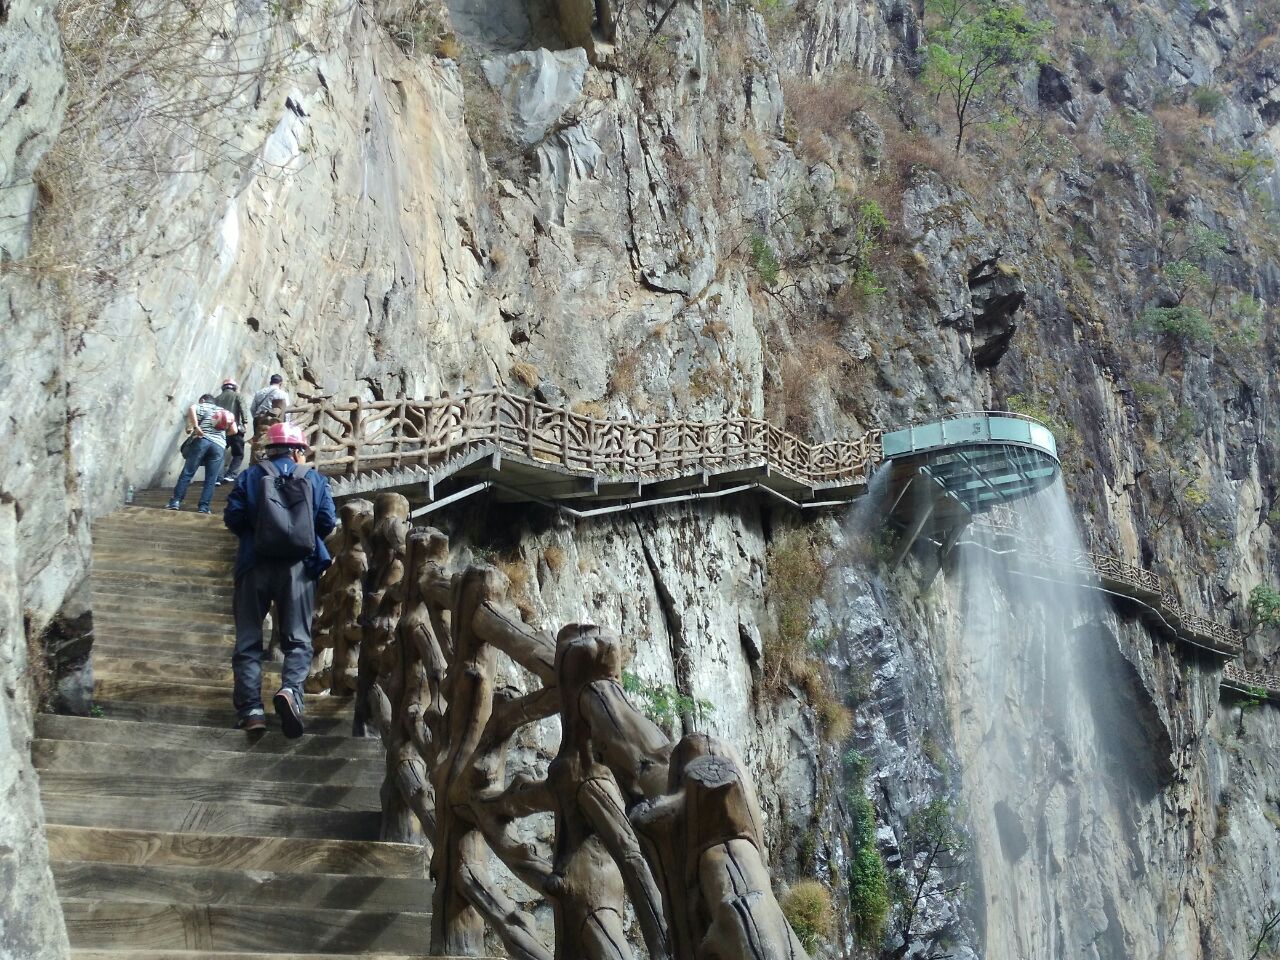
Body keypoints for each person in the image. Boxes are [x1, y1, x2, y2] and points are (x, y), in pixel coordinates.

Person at [224, 422, 336, 737]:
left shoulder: (250, 476)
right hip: (297, 570)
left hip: (253, 565)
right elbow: (327, 520)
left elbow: (232, 517)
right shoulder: (313, 479)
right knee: (298, 639)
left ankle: (251, 711)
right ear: (298, 450)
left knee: (248, 639)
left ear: (268, 449)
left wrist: (258, 532)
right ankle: (289, 693)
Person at [167, 394, 237, 514]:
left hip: (202, 440)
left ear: (203, 400)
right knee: (211, 478)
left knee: (188, 472)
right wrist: (221, 436)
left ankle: (175, 502)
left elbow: (192, 408)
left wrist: (196, 427)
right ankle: (204, 507)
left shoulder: (202, 406)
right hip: (219, 446)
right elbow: (234, 430)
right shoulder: (225, 412)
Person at [213, 378, 249, 484]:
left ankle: (217, 478)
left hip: (219, 430)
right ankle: (231, 475)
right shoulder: (237, 396)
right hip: (235, 428)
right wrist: (245, 422)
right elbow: (243, 408)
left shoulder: (216, 399)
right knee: (238, 453)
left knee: (220, 453)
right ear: (234, 387)